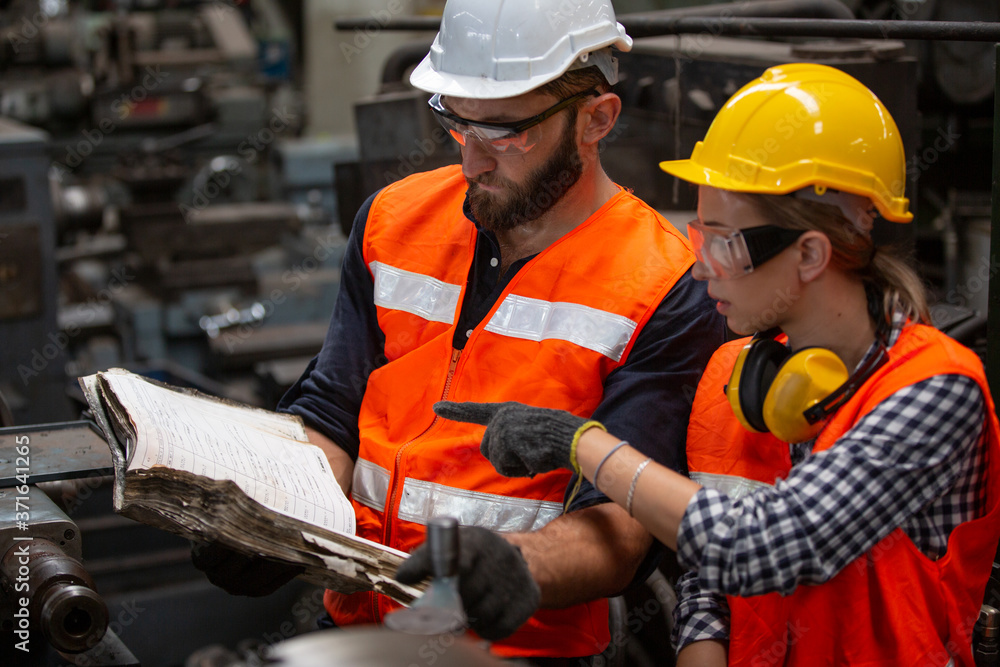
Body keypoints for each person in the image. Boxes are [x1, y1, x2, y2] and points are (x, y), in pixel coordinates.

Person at [193, 0, 724, 662]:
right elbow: (333, 411)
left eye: (505, 133)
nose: (473, 160)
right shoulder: (393, 222)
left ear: (596, 119)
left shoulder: (664, 283)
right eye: (454, 119)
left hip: (521, 648)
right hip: (362, 628)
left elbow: (620, 526)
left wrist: (516, 565)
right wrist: (275, 514)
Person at [434, 63, 1000, 666]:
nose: (702, 267)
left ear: (810, 252)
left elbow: (763, 545)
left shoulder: (934, 392)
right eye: (700, 233)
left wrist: (583, 446)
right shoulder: (739, 373)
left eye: (725, 240)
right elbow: (705, 568)